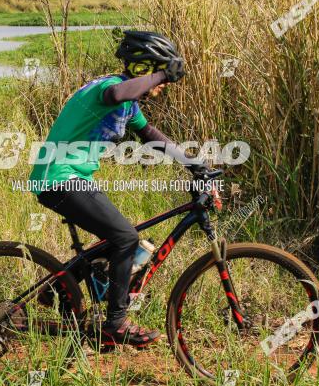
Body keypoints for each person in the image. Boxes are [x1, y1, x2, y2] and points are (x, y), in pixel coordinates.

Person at [29, 30, 208, 347]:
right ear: (142, 68)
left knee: (124, 238)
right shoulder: (109, 88)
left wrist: (193, 163)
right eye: (154, 70)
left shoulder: (129, 105)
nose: (161, 82)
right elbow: (116, 95)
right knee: (126, 237)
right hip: (58, 177)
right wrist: (163, 73)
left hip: (73, 178)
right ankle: (115, 324)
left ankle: (59, 288)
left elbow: (150, 134)